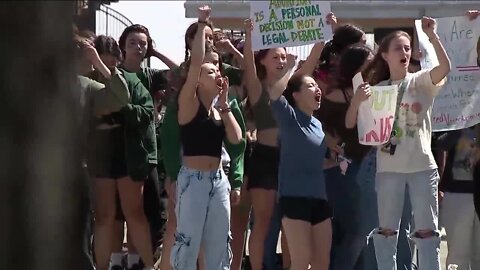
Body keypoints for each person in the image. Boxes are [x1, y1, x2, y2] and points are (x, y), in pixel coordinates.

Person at [352, 16, 451, 270]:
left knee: (427, 231)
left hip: (421, 165)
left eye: (407, 48)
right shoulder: (378, 90)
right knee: (387, 231)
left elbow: (444, 68)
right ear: (384, 55)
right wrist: (357, 101)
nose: (404, 52)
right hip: (388, 169)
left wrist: (433, 36)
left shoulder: (420, 81)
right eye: (398, 48)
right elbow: (354, 124)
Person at [170, 6, 242, 270]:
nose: (218, 75)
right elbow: (198, 59)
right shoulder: (189, 102)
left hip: (218, 180)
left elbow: (236, 139)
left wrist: (225, 106)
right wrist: (202, 24)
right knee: (188, 245)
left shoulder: (220, 108)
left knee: (219, 244)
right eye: (210, 72)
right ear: (197, 79)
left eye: (218, 72)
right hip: (193, 181)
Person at [264, 39, 332, 269]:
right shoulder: (289, 118)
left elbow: (314, 162)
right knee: (301, 262)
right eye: (311, 86)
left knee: (322, 263)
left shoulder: (318, 125)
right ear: (296, 96)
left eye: (317, 85)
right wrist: (292, 67)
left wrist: (337, 162)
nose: (318, 89)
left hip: (319, 199)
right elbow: (274, 93)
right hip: (294, 199)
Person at [118, 24, 174, 268]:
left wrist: (156, 53)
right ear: (123, 46)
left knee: (148, 212)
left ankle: (139, 260)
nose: (138, 47)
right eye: (133, 43)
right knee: (120, 214)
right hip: (119, 150)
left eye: (143, 43)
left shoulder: (151, 76)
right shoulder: (113, 73)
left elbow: (180, 71)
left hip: (147, 153)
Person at [437, 126, 480, 270]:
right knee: (457, 256)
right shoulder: (457, 118)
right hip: (457, 193)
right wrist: (459, 125)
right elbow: (441, 143)